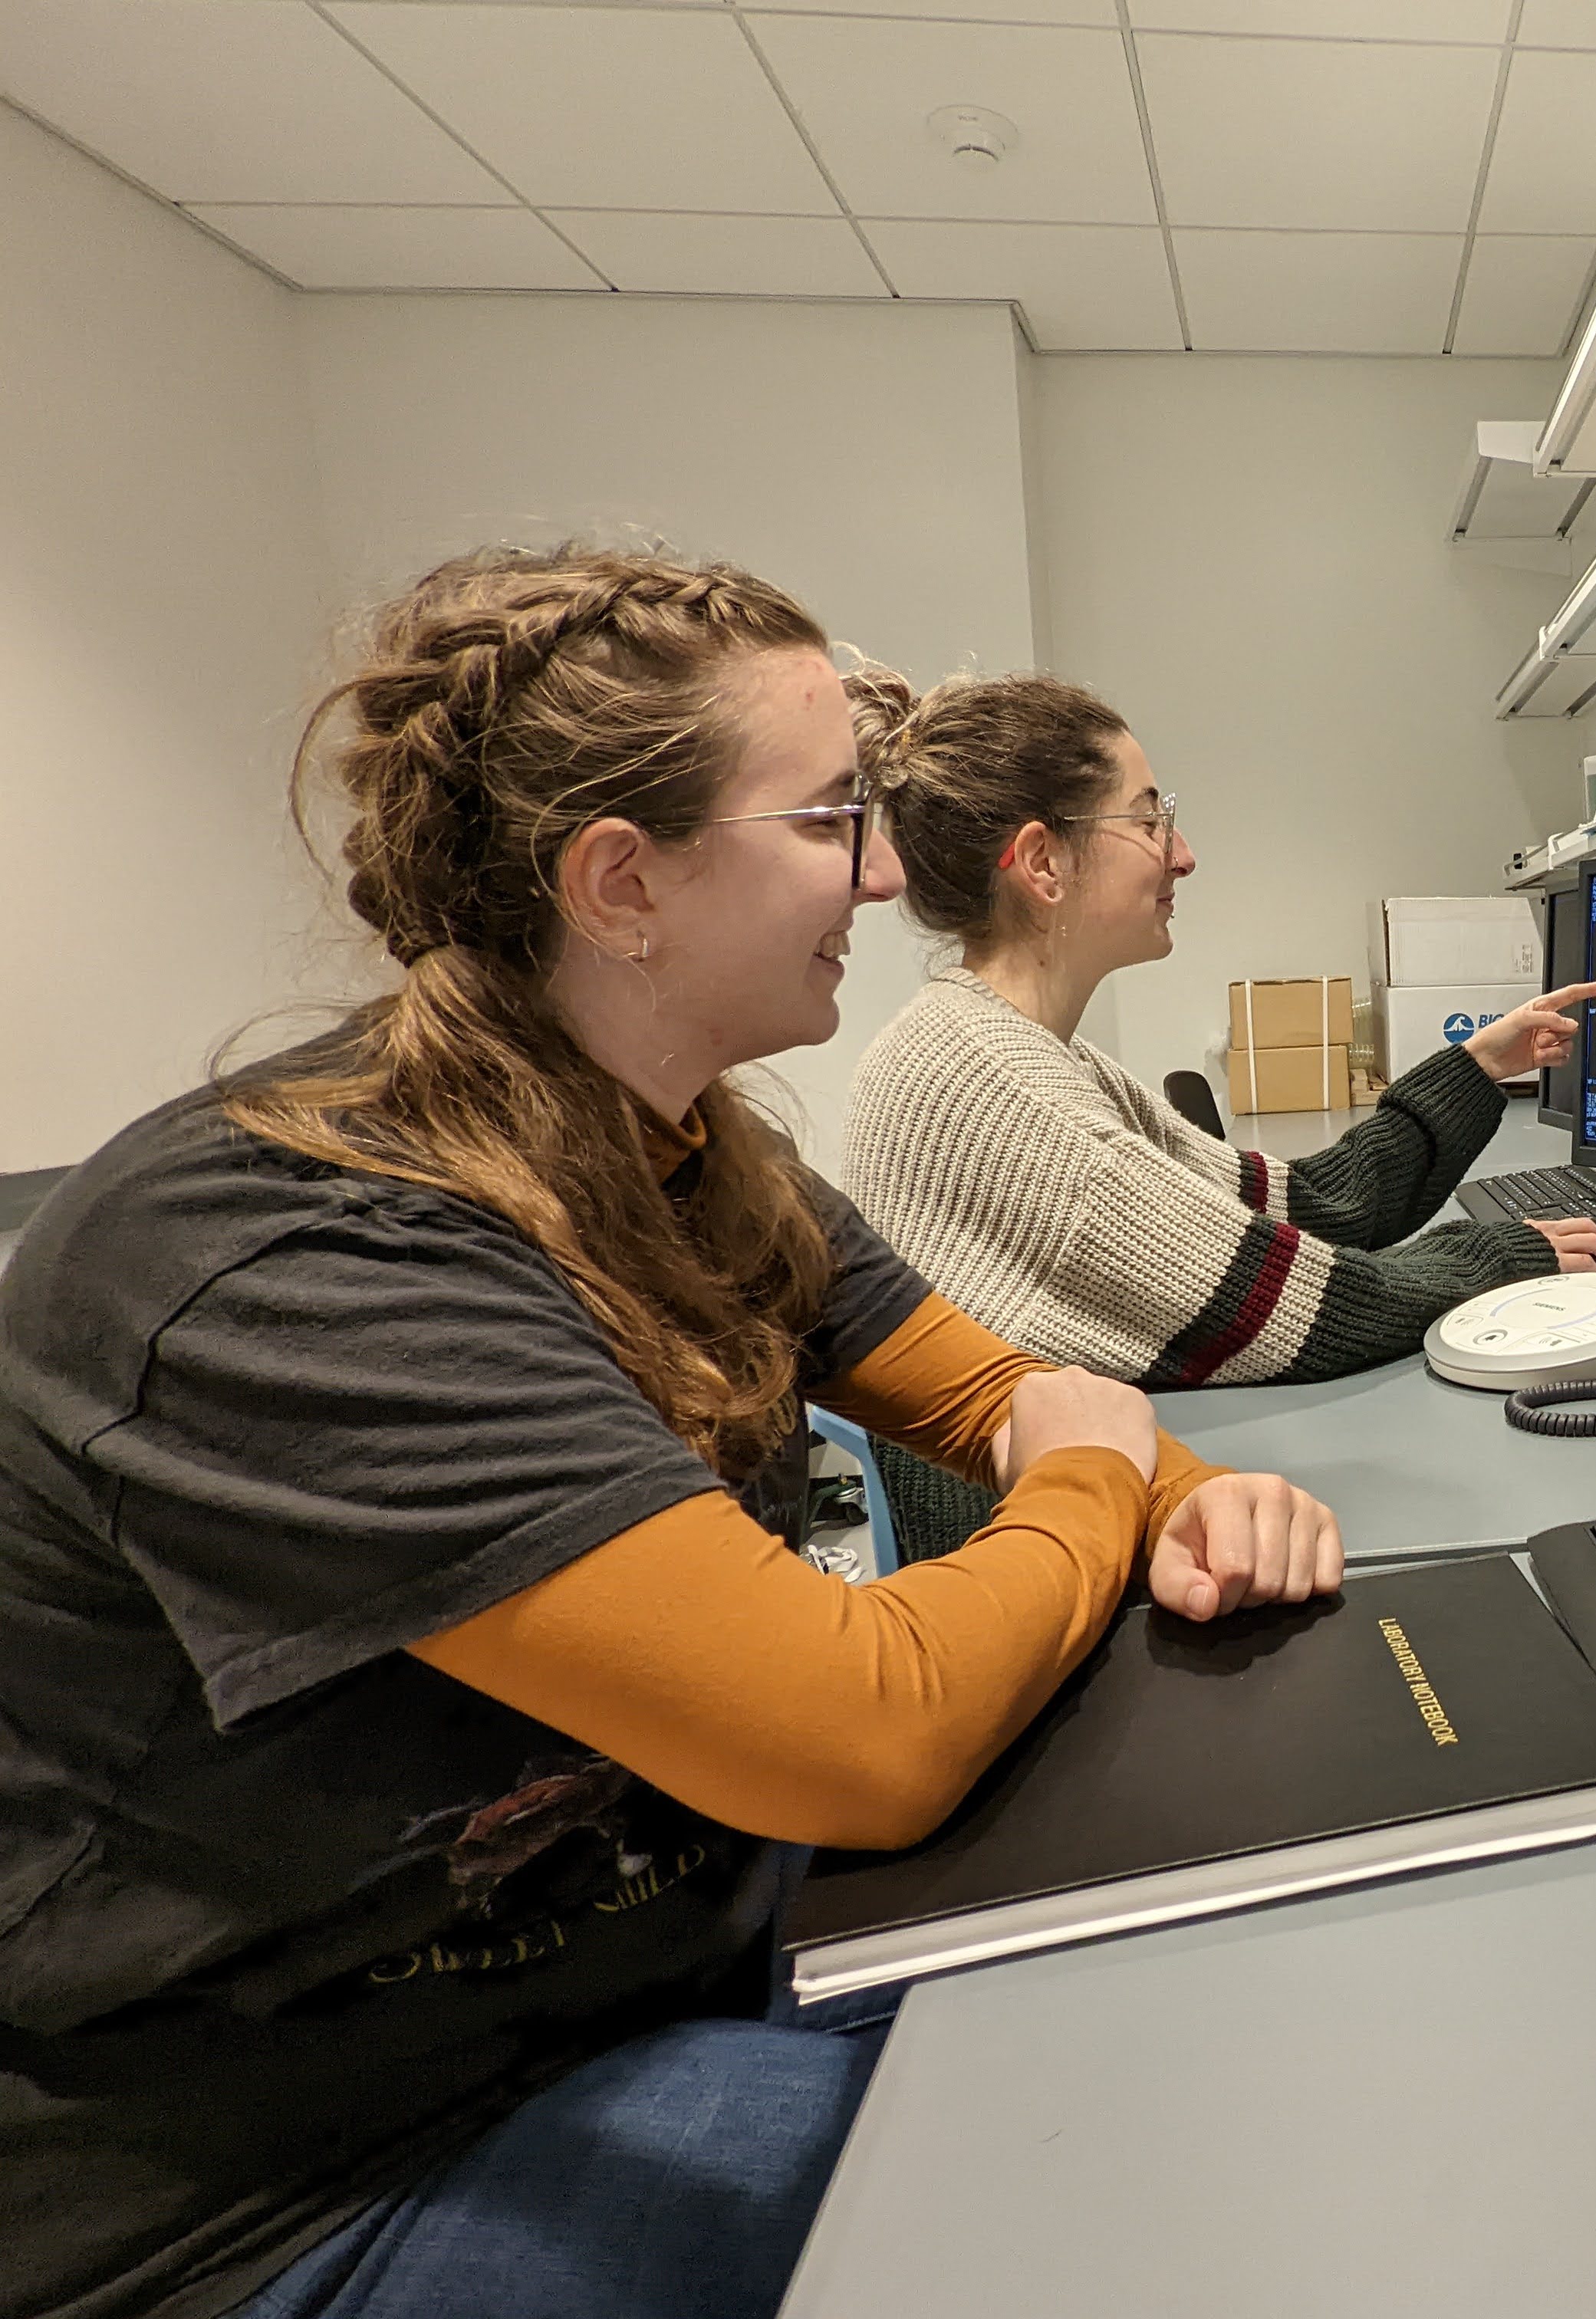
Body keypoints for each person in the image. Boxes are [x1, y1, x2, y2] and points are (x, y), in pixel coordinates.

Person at [0, 549, 1340, 2319]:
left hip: (650, 1965)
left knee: (1201, 1988)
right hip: (311, 2174)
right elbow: (875, 1729)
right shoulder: (289, 1250)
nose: (880, 872)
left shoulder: (691, 1148)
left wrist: (1197, 1497)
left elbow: (988, 1396)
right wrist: (1106, 1479)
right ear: (623, 882)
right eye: (829, 824)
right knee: (1148, 2162)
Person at [837, 669, 1596, 1393]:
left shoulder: (1007, 1048)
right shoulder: (995, 1088)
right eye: (1151, 819)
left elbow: (1313, 1209)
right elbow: (1315, 1312)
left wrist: (1476, 1067)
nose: (1183, 856)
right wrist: (1509, 1253)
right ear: (1044, 864)